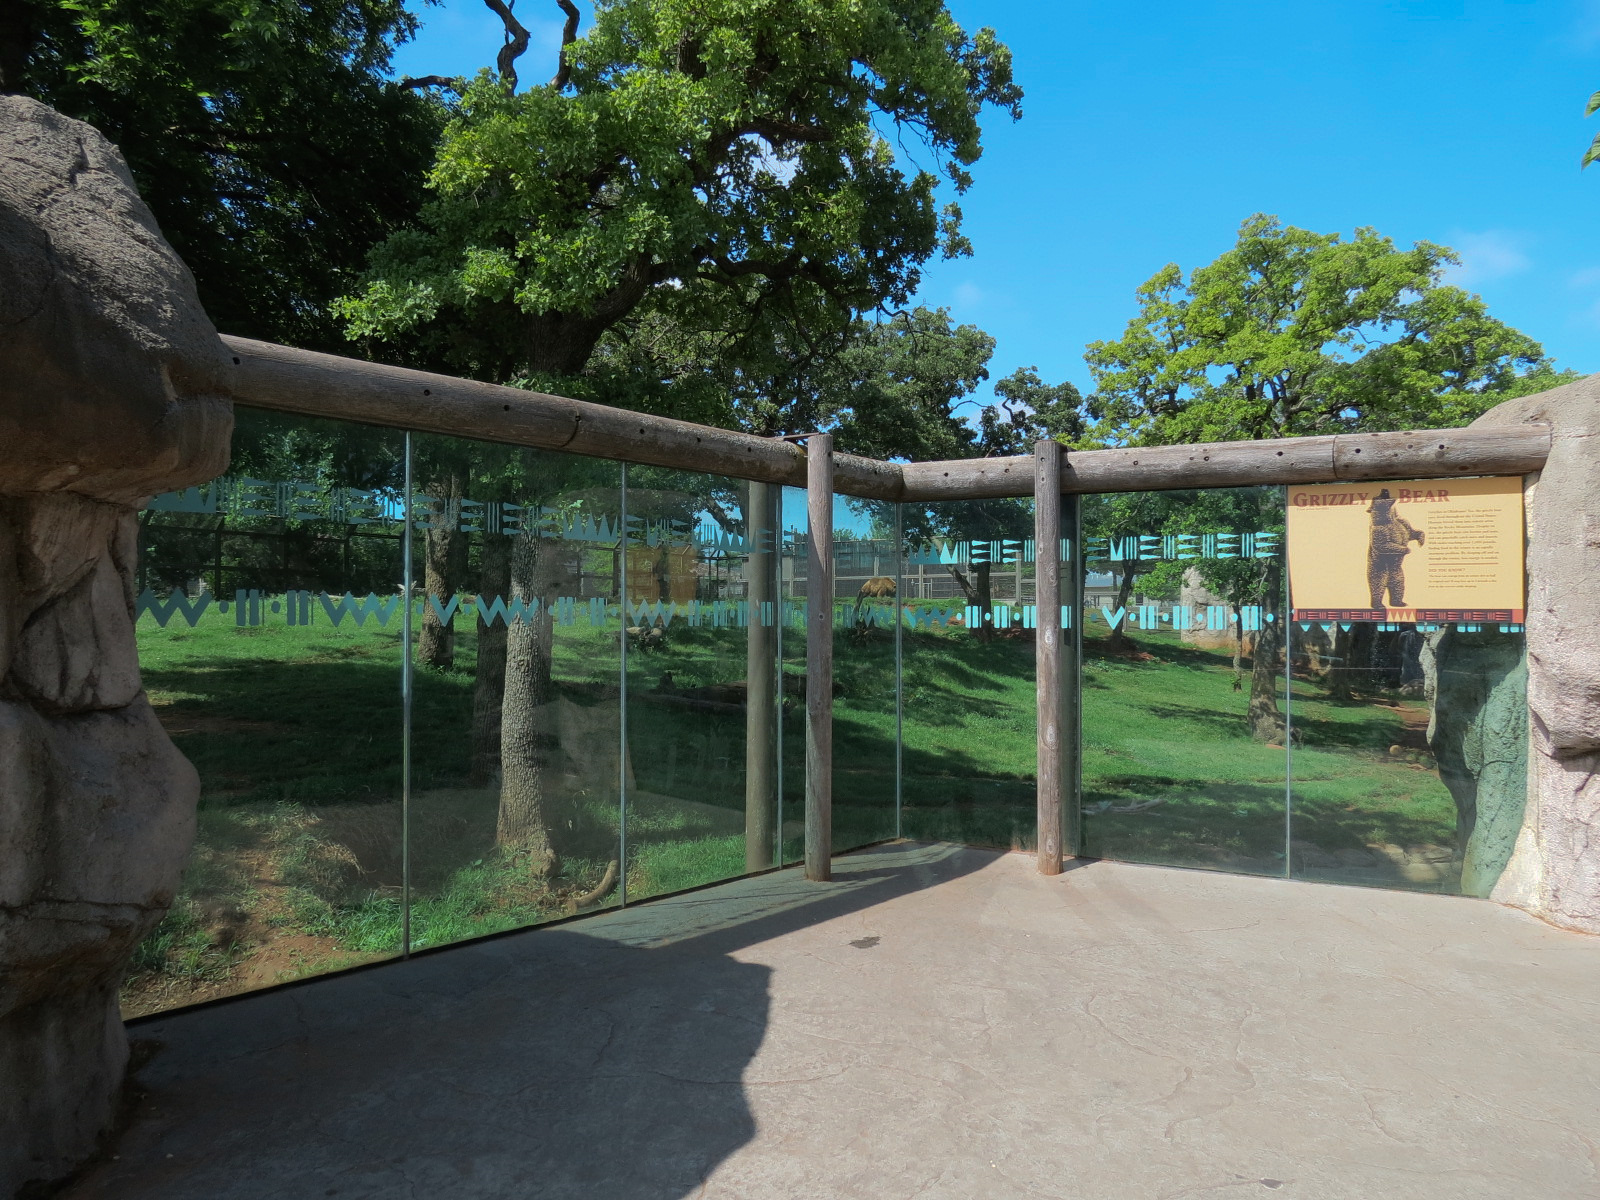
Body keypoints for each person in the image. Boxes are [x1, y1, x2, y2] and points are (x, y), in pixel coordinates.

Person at [1366, 489, 1425, 609]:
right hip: (1380, 566)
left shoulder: (1399, 523)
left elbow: (1409, 534)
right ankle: (1377, 603)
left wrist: (1418, 534)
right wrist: (1403, 549)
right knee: (1378, 583)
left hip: (1395, 565)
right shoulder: (1378, 527)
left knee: (1397, 582)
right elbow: (1381, 546)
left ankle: (1396, 601)